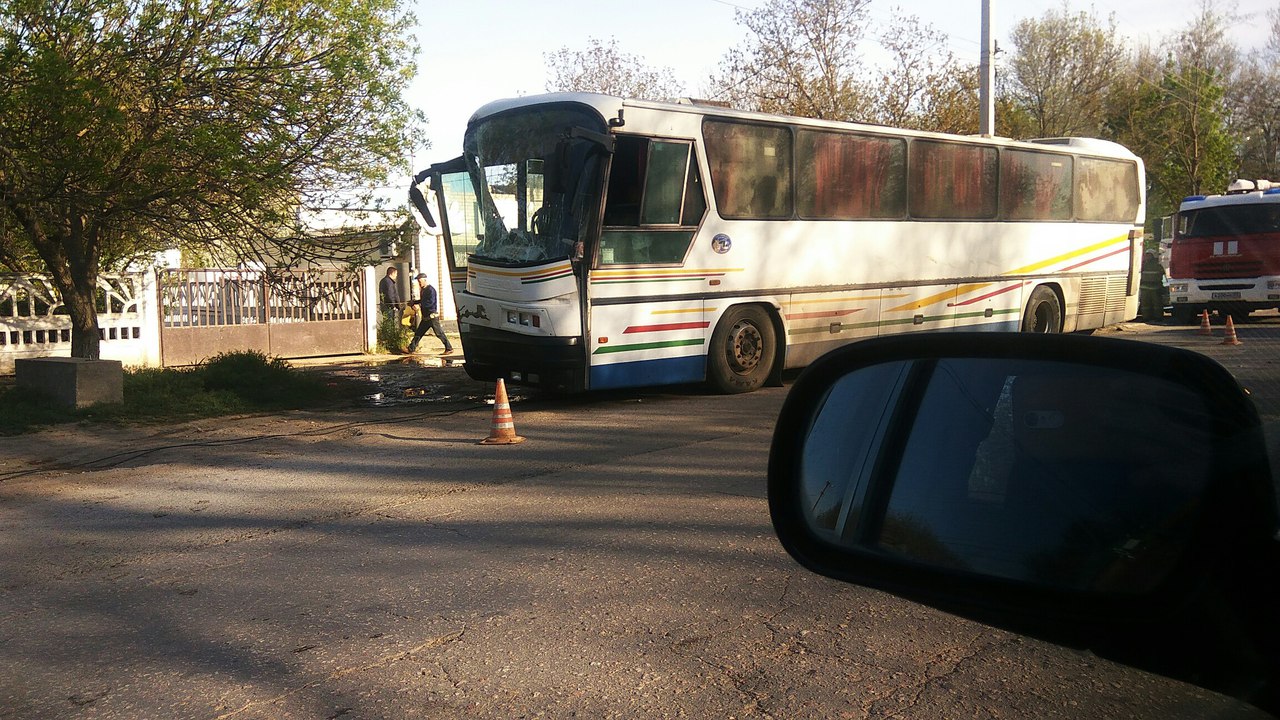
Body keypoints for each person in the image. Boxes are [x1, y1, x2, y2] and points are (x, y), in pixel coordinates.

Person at [407, 273, 454, 354]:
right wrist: (414, 302)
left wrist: (419, 305)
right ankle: (411, 348)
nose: (419, 283)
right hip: (426, 317)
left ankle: (449, 348)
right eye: (418, 281)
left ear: (425, 280)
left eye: (420, 281)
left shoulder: (430, 290)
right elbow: (423, 301)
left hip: (432, 317)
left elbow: (430, 303)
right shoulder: (424, 290)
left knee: (439, 333)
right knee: (419, 333)